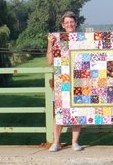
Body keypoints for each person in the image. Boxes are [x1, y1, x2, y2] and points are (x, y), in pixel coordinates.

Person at [46, 11, 82, 152]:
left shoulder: (82, 39)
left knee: (78, 111)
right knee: (59, 112)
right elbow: (50, 61)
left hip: (80, 80)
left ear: (75, 23)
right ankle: (56, 142)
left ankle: (74, 142)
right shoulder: (57, 40)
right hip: (62, 80)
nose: (69, 24)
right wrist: (50, 43)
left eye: (71, 22)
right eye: (66, 22)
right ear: (62, 25)